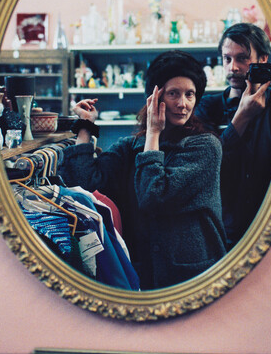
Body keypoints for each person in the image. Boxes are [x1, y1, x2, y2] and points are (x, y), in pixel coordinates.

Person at [57, 50, 227, 290]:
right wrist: (85, 125)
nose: (183, 103)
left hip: (194, 273)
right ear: (154, 98)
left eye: (190, 94)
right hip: (146, 271)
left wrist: (154, 134)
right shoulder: (132, 145)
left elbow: (154, 195)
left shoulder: (205, 147)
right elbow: (83, 182)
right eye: (173, 94)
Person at [194, 22, 271, 249]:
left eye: (242, 58)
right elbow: (207, 167)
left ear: (263, 59)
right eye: (227, 59)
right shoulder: (207, 107)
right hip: (222, 228)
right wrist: (241, 117)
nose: (233, 67)